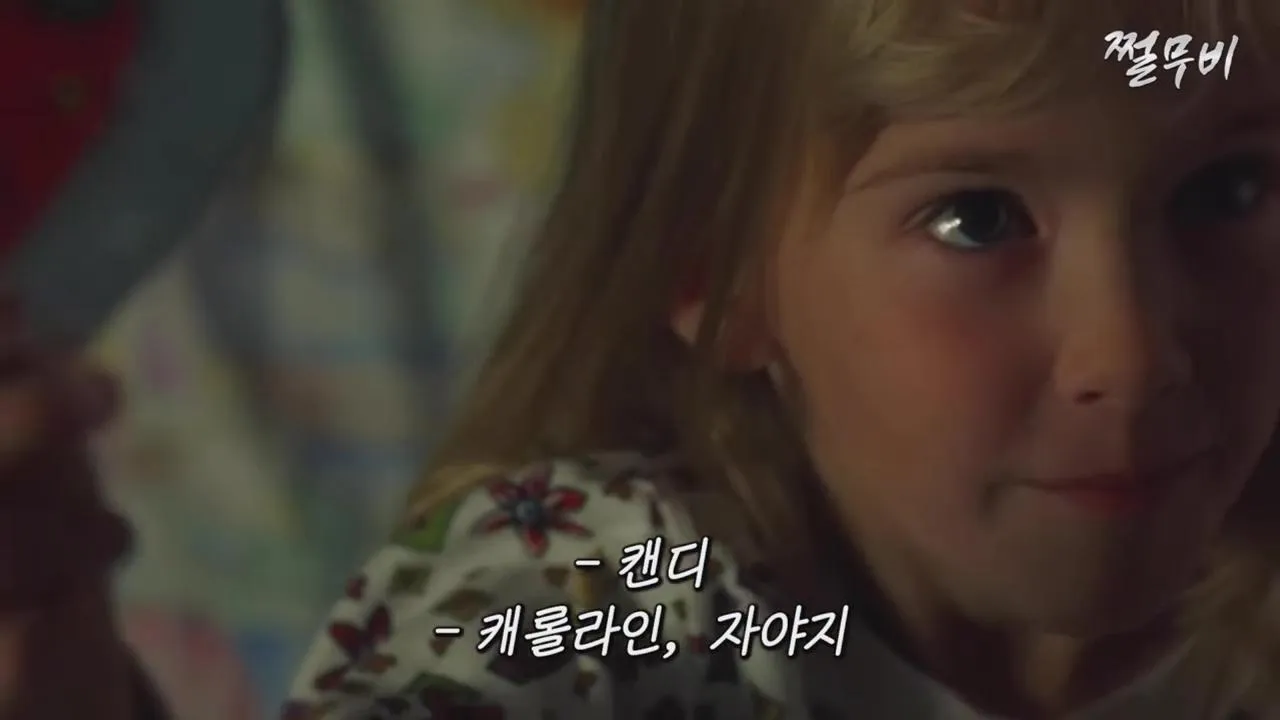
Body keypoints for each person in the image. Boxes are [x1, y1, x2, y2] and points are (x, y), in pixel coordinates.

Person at [7, 1, 1280, 719]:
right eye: (975, 220)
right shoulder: (632, 583)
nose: (1134, 354)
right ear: (709, 266)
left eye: (1227, 191)